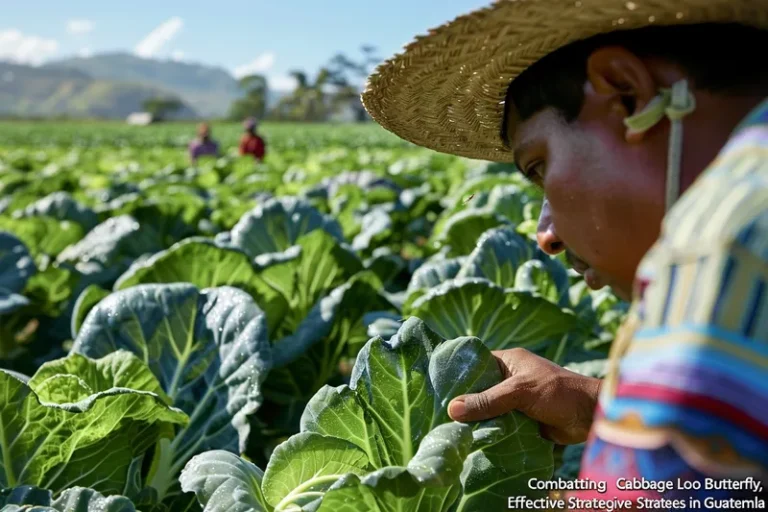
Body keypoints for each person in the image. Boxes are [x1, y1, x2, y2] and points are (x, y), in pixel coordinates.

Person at [362, 1, 768, 508]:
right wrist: (598, 403)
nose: (546, 234)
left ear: (627, 93)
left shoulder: (719, 246)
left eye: (538, 166)